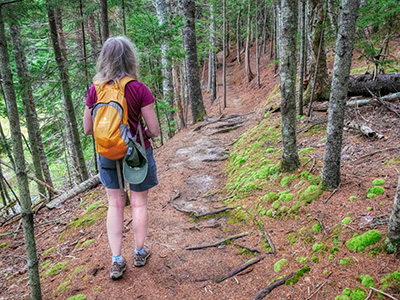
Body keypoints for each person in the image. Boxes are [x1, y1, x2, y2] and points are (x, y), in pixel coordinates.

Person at [83, 36, 160, 280]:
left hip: (106, 154)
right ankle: (139, 252)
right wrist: (141, 135)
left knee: (115, 204)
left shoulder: (96, 88)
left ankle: (116, 261)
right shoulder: (138, 88)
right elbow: (155, 129)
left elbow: (87, 129)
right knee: (138, 203)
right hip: (136, 153)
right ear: (130, 58)